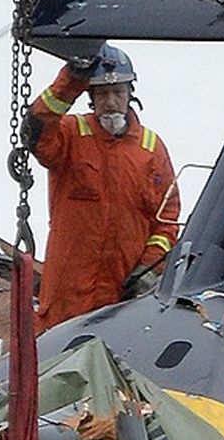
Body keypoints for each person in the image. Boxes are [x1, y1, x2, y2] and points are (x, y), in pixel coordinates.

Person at [25, 44, 181, 330]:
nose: (110, 101)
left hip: (122, 298)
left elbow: (167, 222)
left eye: (117, 92)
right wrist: (70, 79)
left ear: (130, 94)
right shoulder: (70, 135)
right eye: (102, 93)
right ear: (90, 97)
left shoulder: (151, 149)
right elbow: (36, 132)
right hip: (67, 298)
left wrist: (148, 270)